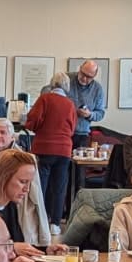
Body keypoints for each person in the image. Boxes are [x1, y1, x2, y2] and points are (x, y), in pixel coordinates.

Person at [0, 149, 61, 254]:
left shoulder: (11, 205)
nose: (27, 189)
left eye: (29, 183)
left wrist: (46, 250)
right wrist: (11, 248)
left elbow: (20, 246)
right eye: (23, 182)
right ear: (4, 177)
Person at [25, 75, 77, 226]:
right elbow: (72, 128)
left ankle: (40, 220)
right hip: (64, 150)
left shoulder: (44, 99)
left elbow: (33, 120)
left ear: (52, 84)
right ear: (66, 86)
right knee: (59, 188)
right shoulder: (70, 104)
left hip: (44, 148)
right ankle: (55, 224)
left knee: (41, 186)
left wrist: (32, 126)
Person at [69, 60, 106, 147]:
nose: (84, 78)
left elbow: (100, 113)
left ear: (94, 76)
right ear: (80, 68)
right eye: (83, 74)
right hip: (63, 131)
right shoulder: (67, 79)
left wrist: (89, 114)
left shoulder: (97, 89)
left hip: (82, 134)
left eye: (89, 77)